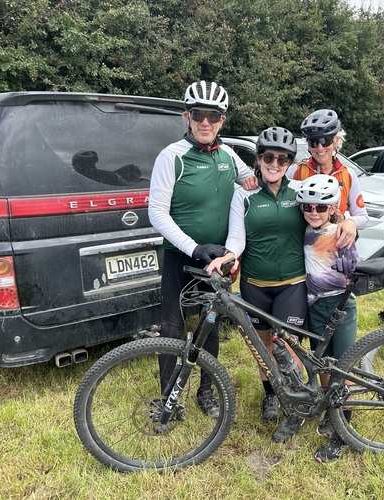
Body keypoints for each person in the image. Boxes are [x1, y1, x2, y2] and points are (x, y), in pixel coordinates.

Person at [148, 80, 256, 418]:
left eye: (213, 116)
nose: (205, 122)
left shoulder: (228, 155)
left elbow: (255, 181)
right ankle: (168, 398)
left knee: (210, 325)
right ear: (187, 117)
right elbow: (157, 213)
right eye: (198, 115)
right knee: (171, 328)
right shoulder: (171, 156)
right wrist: (194, 249)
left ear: (222, 120)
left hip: (217, 260)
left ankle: (206, 391)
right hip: (181, 257)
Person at [207, 126, 308, 443]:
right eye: (268, 157)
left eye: (282, 159)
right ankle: (272, 395)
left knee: (287, 347)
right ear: (259, 159)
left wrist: (346, 222)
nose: (274, 164)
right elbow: (236, 237)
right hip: (255, 285)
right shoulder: (244, 194)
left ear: (290, 163)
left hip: (293, 283)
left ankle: (296, 403)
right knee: (264, 349)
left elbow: (326, 215)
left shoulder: (301, 191)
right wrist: (228, 256)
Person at [295, 174, 359, 464]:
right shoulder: (304, 231)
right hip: (315, 306)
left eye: (321, 207)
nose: (314, 212)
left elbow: (353, 264)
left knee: (342, 366)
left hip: (340, 305)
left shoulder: (340, 233)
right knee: (322, 361)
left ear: (332, 208)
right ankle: (331, 409)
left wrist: (349, 225)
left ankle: (343, 426)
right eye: (307, 207)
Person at [286, 109, 368, 251]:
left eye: (325, 141)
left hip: (333, 249)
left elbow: (363, 218)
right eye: (314, 142)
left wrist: (350, 221)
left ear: (336, 140)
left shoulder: (348, 175)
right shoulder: (295, 171)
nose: (320, 148)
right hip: (299, 248)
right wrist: (253, 180)